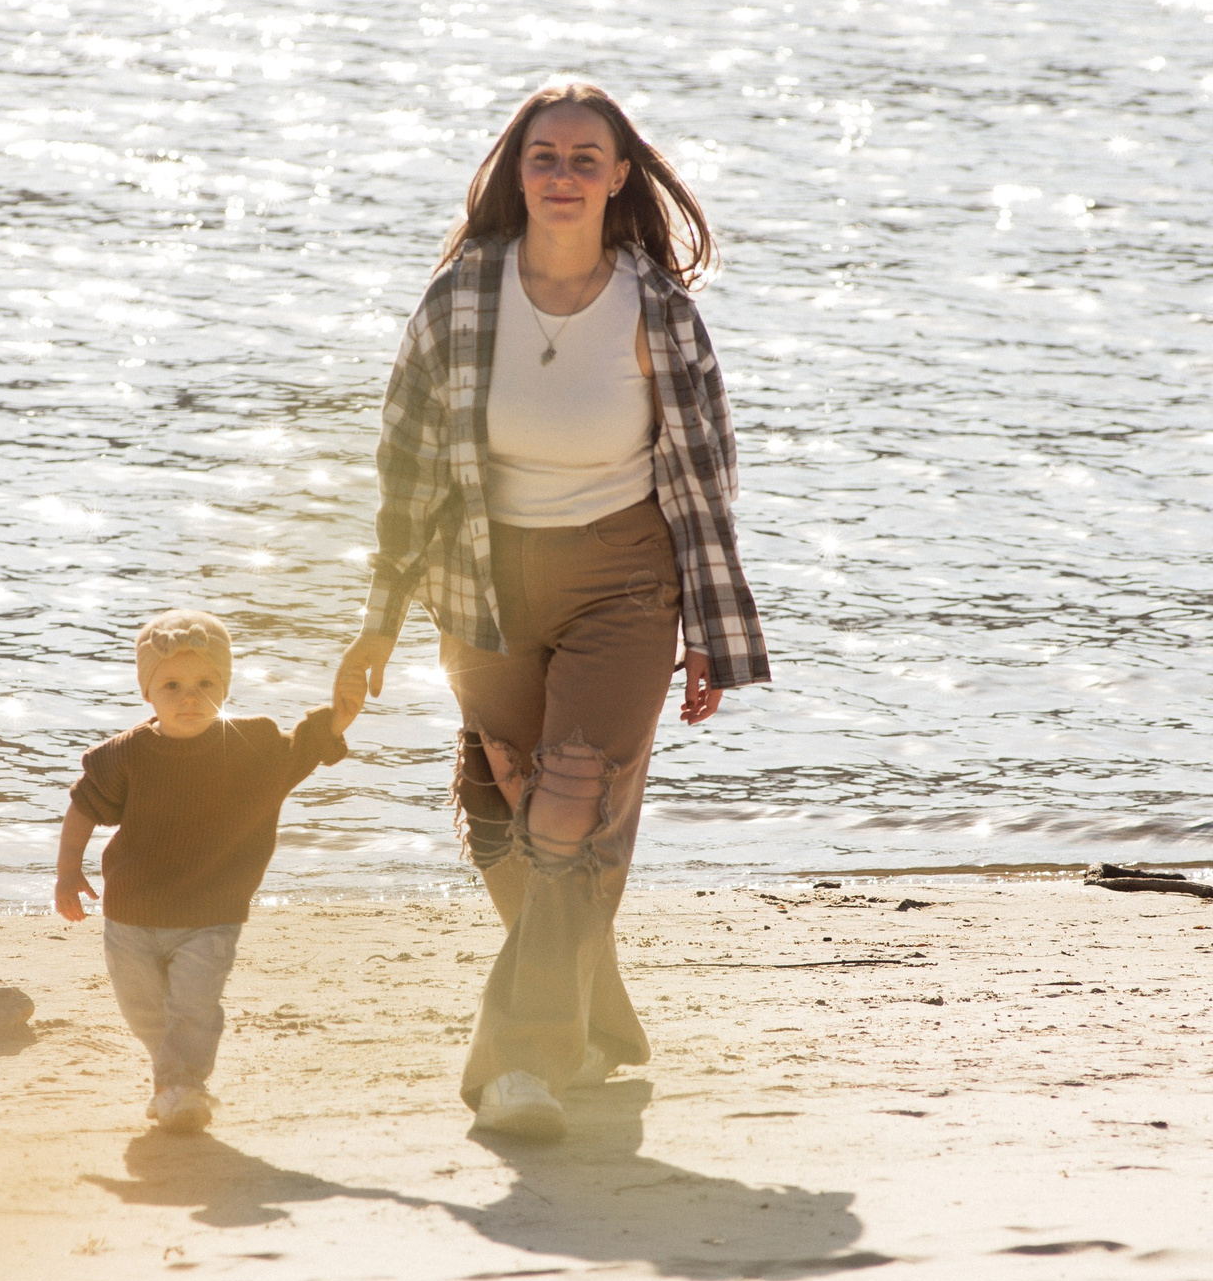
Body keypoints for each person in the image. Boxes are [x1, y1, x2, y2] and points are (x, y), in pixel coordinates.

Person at [333, 82, 769, 1142]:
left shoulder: (657, 307)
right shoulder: (461, 296)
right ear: (514, 172)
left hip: (624, 577)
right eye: (544, 156)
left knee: (573, 803)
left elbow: (707, 475)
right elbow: (404, 469)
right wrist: (380, 618)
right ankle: (591, 1012)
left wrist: (709, 624)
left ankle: (519, 1066)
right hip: (479, 578)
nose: (563, 174)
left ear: (620, 175)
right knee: (509, 810)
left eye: (585, 157)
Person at [55, 609, 354, 1134]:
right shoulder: (125, 756)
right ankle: (170, 1075)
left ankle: (183, 1087)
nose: (189, 697)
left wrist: (336, 718)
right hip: (131, 914)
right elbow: (83, 806)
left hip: (211, 913)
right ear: (148, 692)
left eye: (205, 683)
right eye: (171, 685)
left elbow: (300, 750)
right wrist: (67, 871)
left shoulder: (250, 748)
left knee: (193, 1005)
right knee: (143, 1012)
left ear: (226, 685)